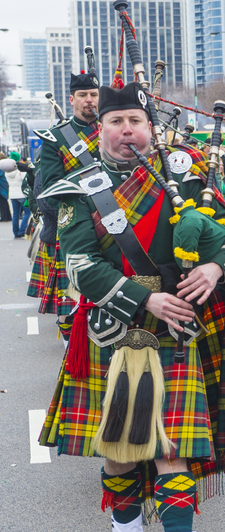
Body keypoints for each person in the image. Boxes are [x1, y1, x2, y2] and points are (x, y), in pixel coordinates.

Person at [37, 82, 225, 532]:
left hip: (175, 337)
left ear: (150, 128)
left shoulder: (186, 179)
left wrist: (214, 266)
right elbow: (81, 266)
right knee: (119, 454)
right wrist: (146, 300)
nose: (126, 129)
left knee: (168, 449)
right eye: (116, 122)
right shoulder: (78, 189)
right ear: (101, 129)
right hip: (115, 335)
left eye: (135, 120)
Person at [32, 71, 102, 343]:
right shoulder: (55, 138)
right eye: (83, 95)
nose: (89, 101)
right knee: (69, 308)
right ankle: (71, 353)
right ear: (72, 100)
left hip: (116, 227)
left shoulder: (113, 131)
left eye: (94, 95)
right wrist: (83, 220)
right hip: (71, 230)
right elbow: (47, 192)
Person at [6, 152, 29, 237]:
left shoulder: (7, 171)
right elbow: (25, 179)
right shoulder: (20, 170)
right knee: (27, 212)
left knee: (16, 214)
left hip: (12, 194)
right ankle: (21, 231)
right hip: (21, 194)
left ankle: (15, 232)